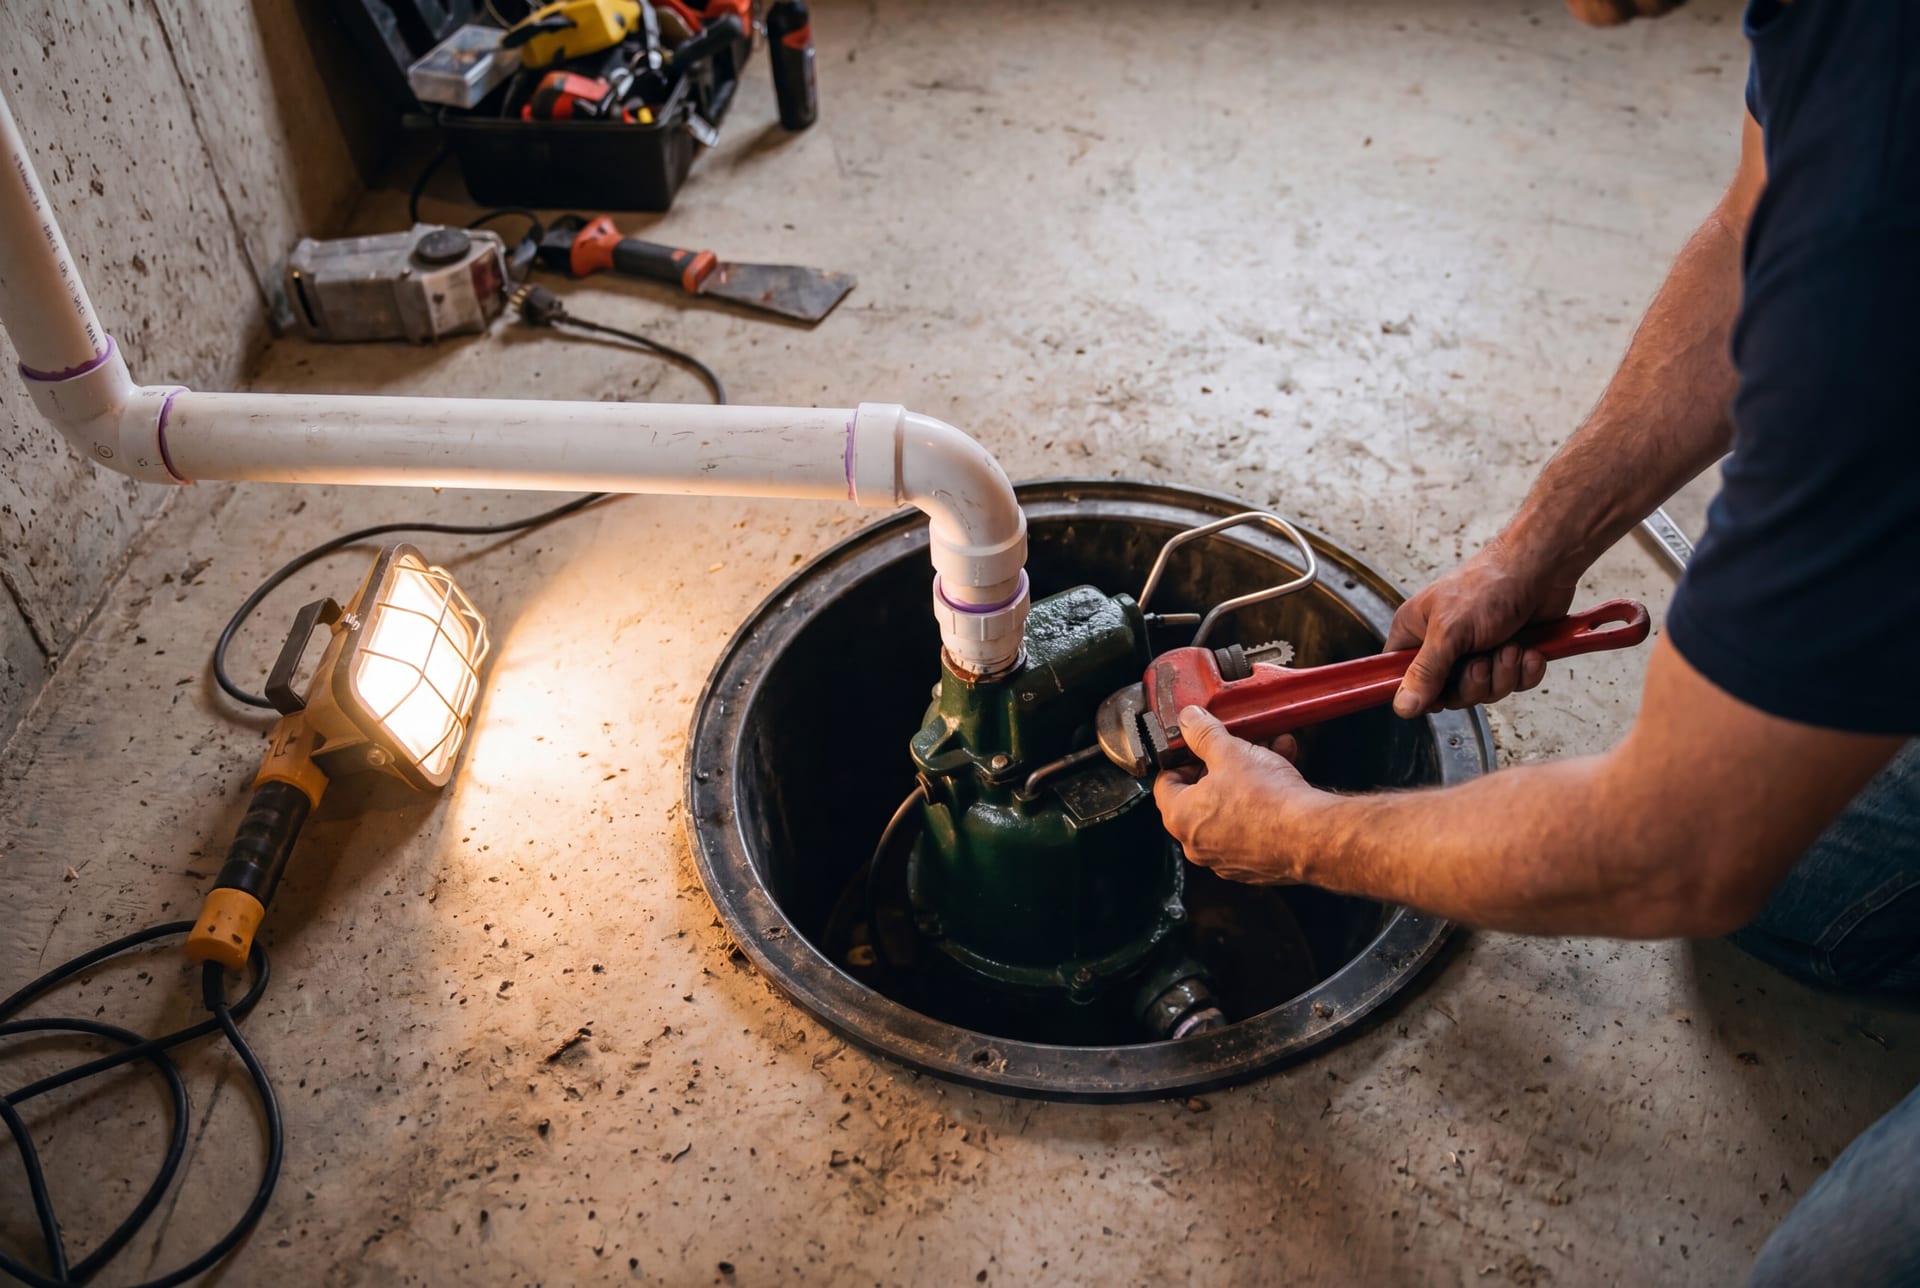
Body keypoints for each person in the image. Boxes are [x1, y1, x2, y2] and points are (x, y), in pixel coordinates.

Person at [1154, 1, 1919, 1283]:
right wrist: (1536, 548)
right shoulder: (1843, 36)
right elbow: (1750, 224)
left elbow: (1674, 852)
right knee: (1801, 890)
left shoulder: (1882, 233)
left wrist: (1296, 837)